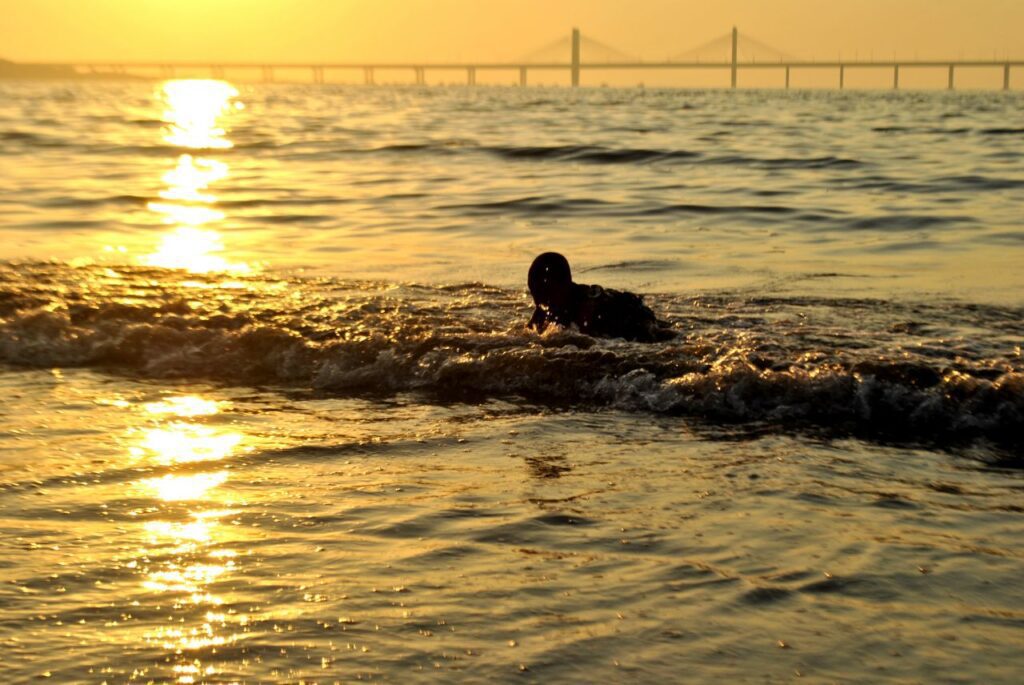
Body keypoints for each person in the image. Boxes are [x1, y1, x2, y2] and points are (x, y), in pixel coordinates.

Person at [527, 252, 675, 342]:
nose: (537, 302)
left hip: (635, 323)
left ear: (562, 285)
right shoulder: (547, 308)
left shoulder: (590, 305)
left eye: (541, 294)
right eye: (534, 294)